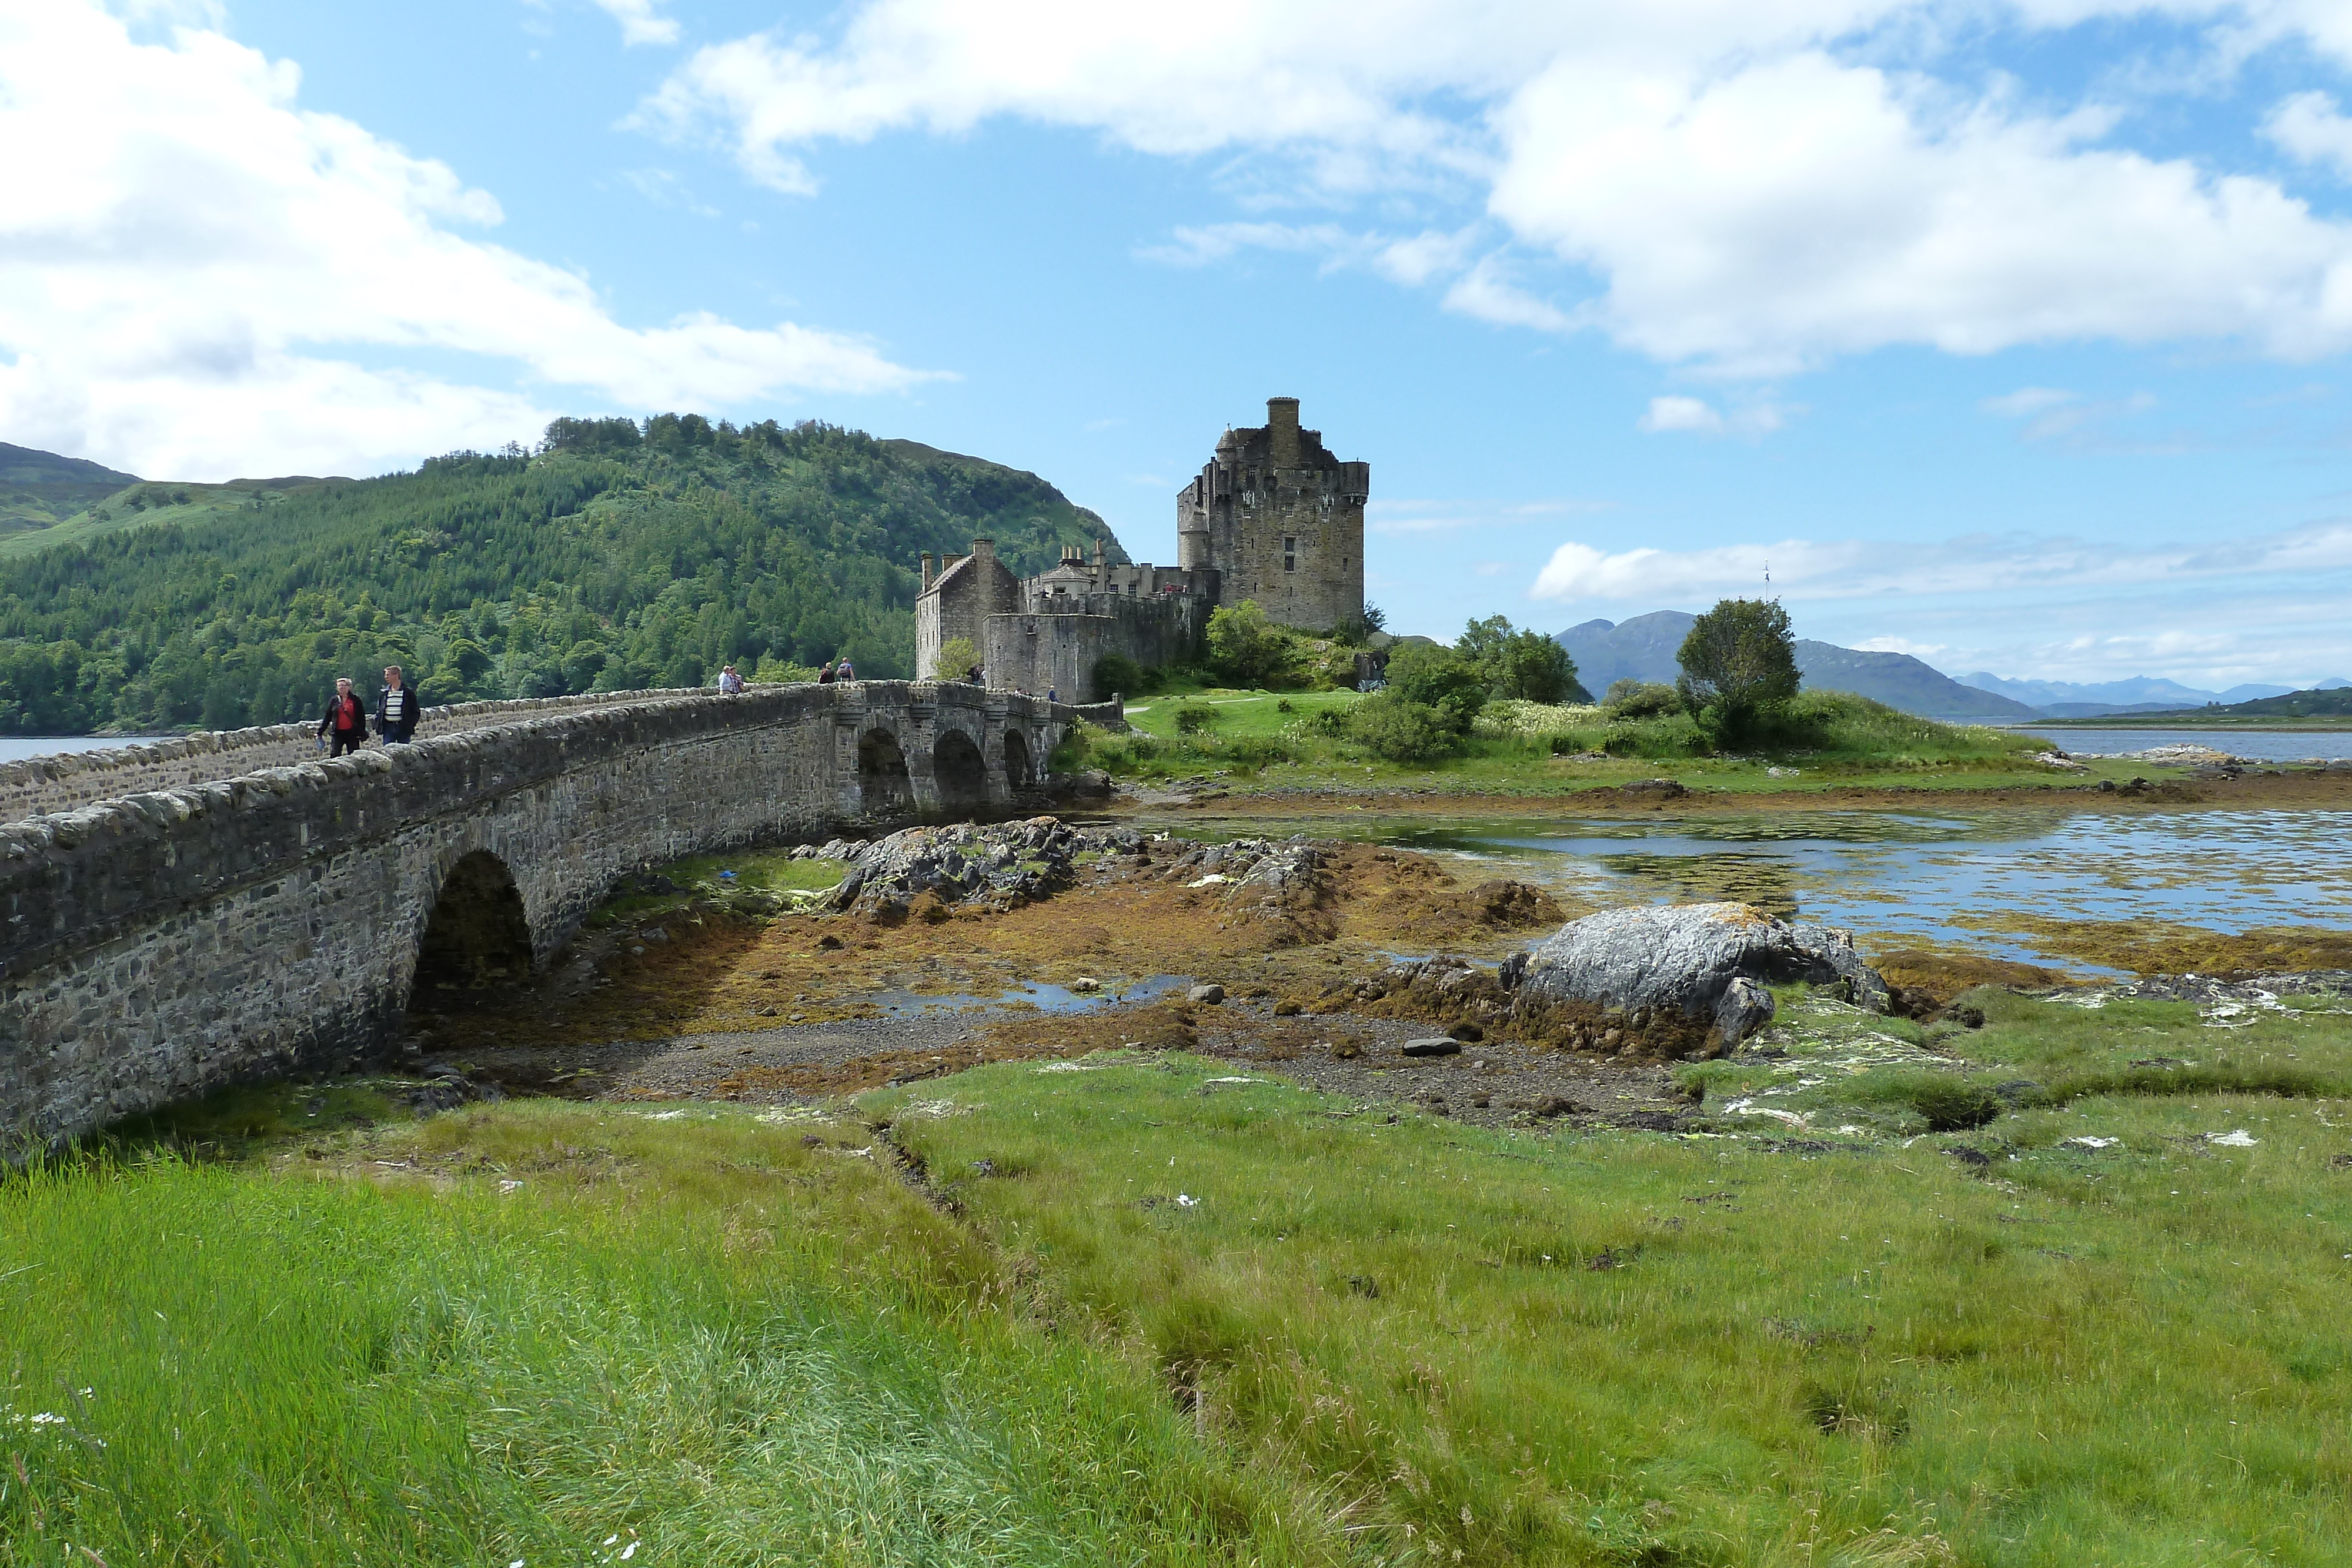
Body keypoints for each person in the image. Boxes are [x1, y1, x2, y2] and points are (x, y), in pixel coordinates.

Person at [318, 677, 368, 756]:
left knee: (354, 755)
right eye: (339, 686)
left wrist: (361, 731)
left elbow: (361, 717)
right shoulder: (334, 700)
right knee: (334, 754)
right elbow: (328, 717)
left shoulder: (355, 700)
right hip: (338, 733)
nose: (341, 688)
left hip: (352, 733)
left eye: (343, 685)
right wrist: (320, 732)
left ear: (349, 687)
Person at [376, 665, 418, 744]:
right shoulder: (384, 693)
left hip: (403, 727)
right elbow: (380, 709)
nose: (386, 677)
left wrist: (410, 724)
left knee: (404, 750)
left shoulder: (408, 692)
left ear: (396, 675)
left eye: (388, 675)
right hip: (388, 727)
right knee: (388, 750)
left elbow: (415, 710)